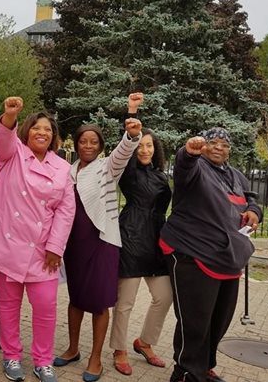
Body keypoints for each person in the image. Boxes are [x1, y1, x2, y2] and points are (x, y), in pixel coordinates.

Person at [0, 97, 76, 382]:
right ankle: (11, 356)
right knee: (9, 306)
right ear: (27, 132)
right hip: (9, 246)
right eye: (36, 127)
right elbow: (2, 143)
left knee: (46, 307)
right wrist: (9, 117)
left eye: (48, 129)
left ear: (54, 136)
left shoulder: (62, 168)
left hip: (43, 250)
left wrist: (55, 247)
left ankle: (43, 361)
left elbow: (66, 210)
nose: (42, 132)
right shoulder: (12, 155)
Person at [159, 128, 261, 382]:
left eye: (224, 145)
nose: (219, 148)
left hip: (228, 257)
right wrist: (188, 152)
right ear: (204, 146)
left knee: (219, 319)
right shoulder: (195, 168)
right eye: (213, 143)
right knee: (195, 320)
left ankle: (204, 368)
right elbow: (183, 166)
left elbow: (251, 200)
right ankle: (185, 372)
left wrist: (254, 212)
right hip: (192, 253)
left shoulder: (236, 175)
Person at [53, 104, 143, 382]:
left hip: (102, 242)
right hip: (74, 244)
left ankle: (95, 359)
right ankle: (72, 349)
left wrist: (131, 133)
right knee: (76, 298)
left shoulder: (107, 168)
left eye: (94, 142)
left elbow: (123, 153)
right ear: (76, 144)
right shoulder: (68, 170)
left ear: (101, 146)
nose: (88, 145)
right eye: (83, 141)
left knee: (99, 302)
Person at [109, 97, 172, 375]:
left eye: (149, 145)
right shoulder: (128, 172)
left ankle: (144, 342)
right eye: (140, 146)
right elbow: (127, 142)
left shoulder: (160, 176)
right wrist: (132, 113)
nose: (144, 149)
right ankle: (119, 348)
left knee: (164, 296)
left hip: (157, 243)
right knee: (125, 303)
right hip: (132, 238)